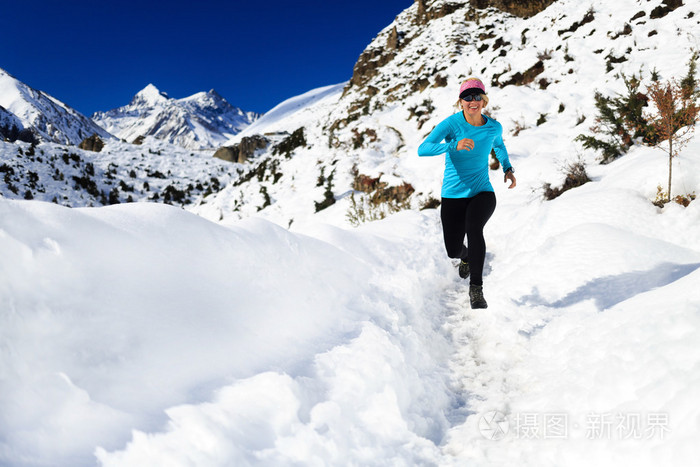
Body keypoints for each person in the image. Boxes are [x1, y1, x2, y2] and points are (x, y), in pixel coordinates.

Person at [418, 77, 516, 309]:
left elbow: (499, 145)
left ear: (484, 100)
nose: (473, 101)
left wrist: (508, 168)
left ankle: (476, 289)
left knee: (474, 228)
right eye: (468, 97)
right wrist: (452, 145)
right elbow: (423, 149)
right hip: (452, 195)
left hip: (482, 191)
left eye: (477, 97)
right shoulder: (451, 124)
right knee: (453, 248)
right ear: (461, 101)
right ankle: (465, 257)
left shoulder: (493, 126)